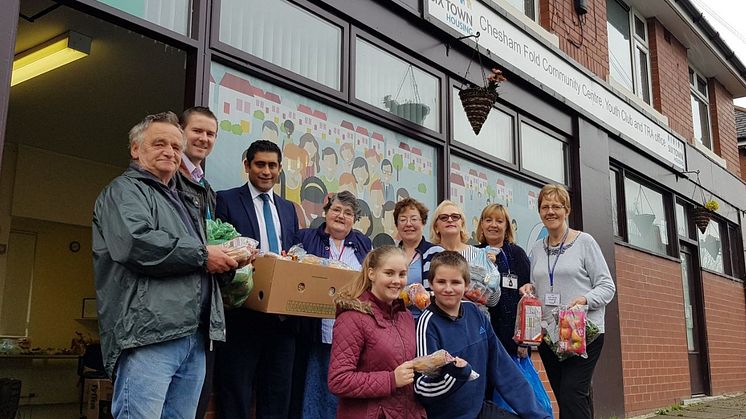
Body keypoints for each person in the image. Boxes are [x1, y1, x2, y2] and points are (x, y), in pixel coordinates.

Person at [93, 111, 244, 418]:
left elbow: (197, 260)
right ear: (136, 149)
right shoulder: (124, 190)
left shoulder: (185, 201)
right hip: (148, 334)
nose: (170, 152)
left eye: (176, 147)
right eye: (159, 144)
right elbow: (136, 243)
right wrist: (205, 255)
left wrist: (229, 263)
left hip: (194, 335)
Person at [214, 140, 301, 419]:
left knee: (277, 397)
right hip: (242, 313)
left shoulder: (288, 209)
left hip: (282, 318)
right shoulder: (225, 200)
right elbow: (220, 247)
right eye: (260, 164)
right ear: (247, 166)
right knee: (235, 394)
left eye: (272, 165)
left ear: (279, 169)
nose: (266, 171)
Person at [414, 252, 551, 419]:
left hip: (479, 410)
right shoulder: (427, 323)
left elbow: (504, 369)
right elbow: (422, 388)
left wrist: (538, 415)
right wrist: (457, 374)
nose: (448, 288)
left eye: (455, 282)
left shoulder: (474, 312)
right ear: (431, 284)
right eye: (441, 282)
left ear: (466, 285)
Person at [520, 184, 616, 419]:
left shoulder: (585, 242)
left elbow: (607, 287)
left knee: (572, 393)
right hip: (550, 336)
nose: (550, 211)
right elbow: (537, 284)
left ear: (567, 210)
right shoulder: (536, 249)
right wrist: (528, 288)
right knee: (570, 395)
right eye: (545, 207)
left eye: (556, 206)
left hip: (581, 333)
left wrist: (585, 299)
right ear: (539, 212)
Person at [294, 191, 372, 419]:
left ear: (354, 220)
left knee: (345, 393)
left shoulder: (363, 243)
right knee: (315, 389)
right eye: (336, 210)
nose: (341, 216)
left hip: (351, 334)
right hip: (314, 330)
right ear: (326, 212)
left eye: (348, 213)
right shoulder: (306, 238)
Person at [328, 246, 426, 419]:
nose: (397, 280)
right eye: (389, 273)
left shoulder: (406, 316)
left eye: (402, 274)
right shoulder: (352, 318)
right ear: (372, 274)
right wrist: (391, 380)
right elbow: (338, 380)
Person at [173, 106, 224, 419]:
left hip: (202, 318)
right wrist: (208, 255)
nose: (204, 138)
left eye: (210, 133)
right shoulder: (164, 180)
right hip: (170, 315)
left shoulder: (207, 189)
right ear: (181, 131)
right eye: (197, 131)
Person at [476, 204, 531, 359]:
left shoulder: (517, 254)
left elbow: (528, 299)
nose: (493, 225)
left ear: (506, 226)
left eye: (499, 221)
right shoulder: (474, 252)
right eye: (488, 220)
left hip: (511, 341)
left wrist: (524, 341)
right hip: (480, 335)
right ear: (482, 224)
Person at [430, 200, 500, 306]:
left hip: (473, 319)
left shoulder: (480, 255)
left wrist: (491, 270)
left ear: (462, 223)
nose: (450, 220)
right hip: (439, 319)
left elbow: (492, 301)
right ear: (436, 226)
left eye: (455, 217)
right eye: (444, 217)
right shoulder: (430, 255)